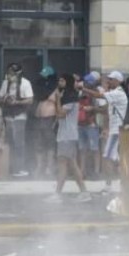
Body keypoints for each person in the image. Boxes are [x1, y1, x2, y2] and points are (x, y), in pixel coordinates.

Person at [46, 74, 91, 203]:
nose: (59, 82)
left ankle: (58, 194)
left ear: (68, 82)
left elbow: (60, 113)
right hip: (64, 135)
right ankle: (83, 192)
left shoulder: (71, 98)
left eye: (62, 80)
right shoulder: (66, 95)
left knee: (63, 164)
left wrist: (58, 99)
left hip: (67, 136)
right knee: (71, 164)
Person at [81, 70, 128, 195]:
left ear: (118, 81)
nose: (108, 81)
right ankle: (119, 184)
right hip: (114, 130)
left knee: (107, 158)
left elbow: (98, 96)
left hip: (116, 131)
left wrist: (83, 89)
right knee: (114, 159)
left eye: (111, 79)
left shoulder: (118, 93)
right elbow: (107, 109)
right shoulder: (115, 93)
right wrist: (94, 109)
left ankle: (111, 186)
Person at [0, 62, 34, 178]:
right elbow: (0, 97)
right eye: (8, 73)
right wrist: (5, 99)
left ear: (18, 73)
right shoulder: (5, 83)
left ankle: (20, 167)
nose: (9, 75)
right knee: (9, 142)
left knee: (19, 143)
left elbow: (30, 100)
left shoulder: (25, 83)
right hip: (8, 116)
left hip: (19, 116)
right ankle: (10, 167)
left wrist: (17, 102)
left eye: (12, 73)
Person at [33, 66, 59, 177]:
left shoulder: (56, 89)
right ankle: (40, 167)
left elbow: (58, 105)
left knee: (50, 143)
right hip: (39, 118)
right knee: (39, 144)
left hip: (50, 118)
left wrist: (56, 121)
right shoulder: (42, 88)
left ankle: (50, 167)